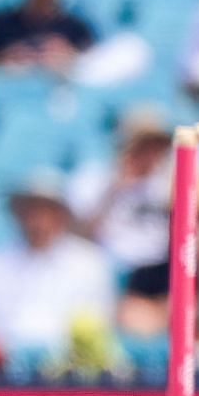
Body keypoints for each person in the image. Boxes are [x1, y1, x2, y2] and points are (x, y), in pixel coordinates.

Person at [0, 172, 116, 357]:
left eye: (47, 210)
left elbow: (97, 325)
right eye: (31, 210)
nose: (38, 220)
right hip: (1, 372)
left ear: (62, 215)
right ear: (18, 214)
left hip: (67, 373)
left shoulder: (90, 263)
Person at [67, 106, 176, 337]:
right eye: (143, 146)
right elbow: (78, 236)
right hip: (109, 271)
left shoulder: (170, 183)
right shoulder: (96, 177)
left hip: (158, 275)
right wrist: (115, 187)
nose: (150, 154)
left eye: (156, 146)